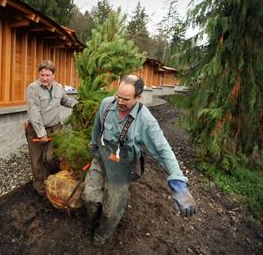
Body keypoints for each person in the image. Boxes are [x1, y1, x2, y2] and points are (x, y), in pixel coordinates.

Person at [82, 74, 198, 247]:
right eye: (118, 96)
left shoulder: (146, 121)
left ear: (138, 97)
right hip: (102, 158)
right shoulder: (107, 104)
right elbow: (97, 127)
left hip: (122, 167)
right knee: (89, 197)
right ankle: (91, 221)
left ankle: (101, 234)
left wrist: (179, 183)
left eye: (126, 99)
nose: (120, 102)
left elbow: (163, 149)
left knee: (111, 211)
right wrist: (93, 144)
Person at [25, 60, 79, 196]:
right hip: (36, 130)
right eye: (42, 75)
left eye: (47, 75)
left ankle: (54, 183)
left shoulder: (58, 87)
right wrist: (41, 133)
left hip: (55, 129)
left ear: (53, 75)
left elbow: (65, 100)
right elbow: (34, 113)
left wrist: (78, 105)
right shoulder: (33, 88)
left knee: (51, 158)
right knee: (37, 161)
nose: (44, 78)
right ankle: (41, 190)